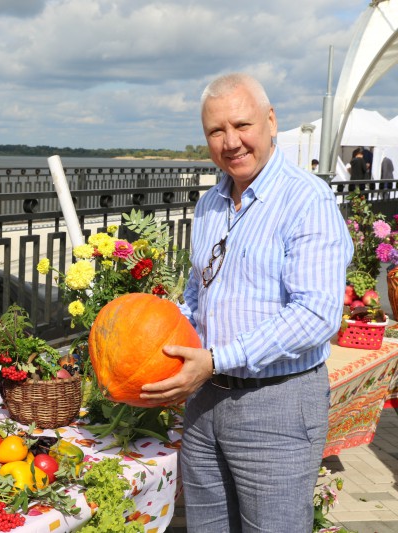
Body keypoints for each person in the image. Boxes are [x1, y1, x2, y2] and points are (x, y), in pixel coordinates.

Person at [139, 73, 352, 532]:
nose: (231, 142)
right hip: (204, 401)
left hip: (276, 403)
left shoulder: (306, 199)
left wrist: (217, 359)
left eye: (242, 125)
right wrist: (147, 330)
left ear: (271, 121)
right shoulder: (211, 204)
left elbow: (316, 315)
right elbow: (199, 295)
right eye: (216, 131)